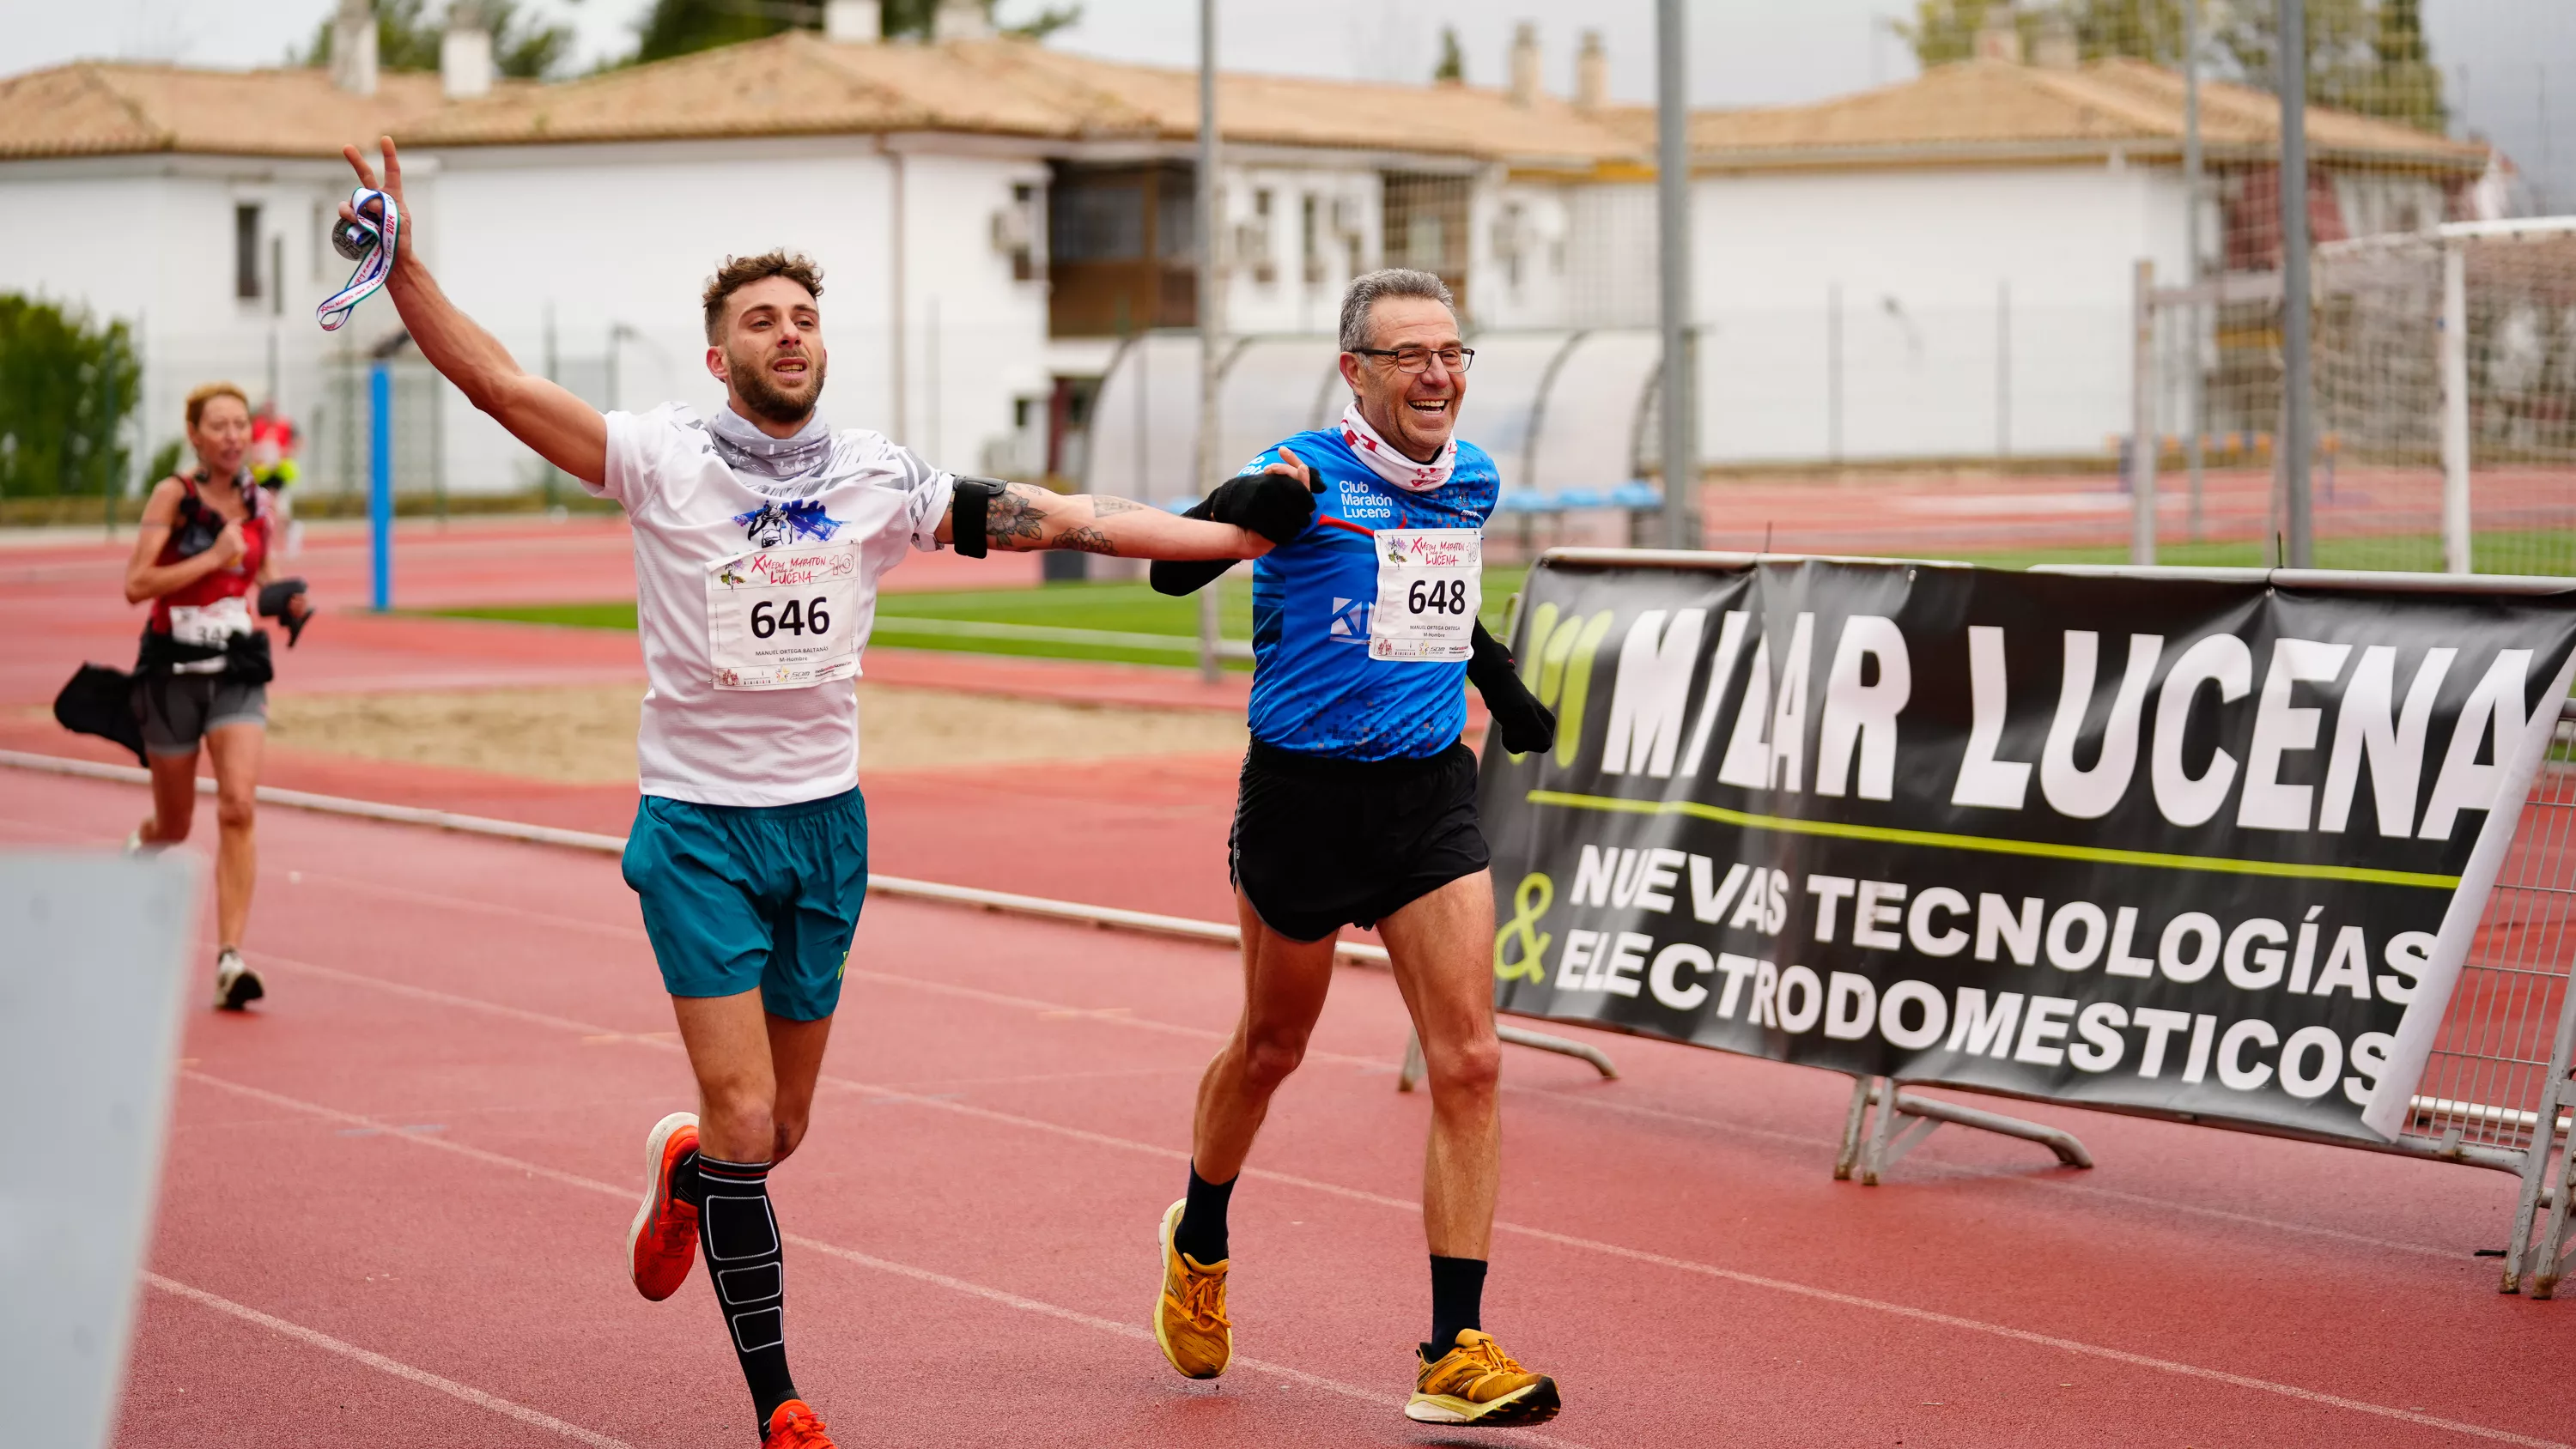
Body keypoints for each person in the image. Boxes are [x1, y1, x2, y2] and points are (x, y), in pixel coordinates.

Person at [332, 136, 1309, 1449]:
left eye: (803, 319)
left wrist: (1234, 536)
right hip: (696, 833)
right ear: (717, 352)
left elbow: (1068, 518)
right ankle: (777, 1398)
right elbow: (502, 384)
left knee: (774, 1131)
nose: (788, 336)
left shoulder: (878, 480)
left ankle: (689, 1171)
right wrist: (403, 263)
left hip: (827, 828)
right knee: (743, 1111)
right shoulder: (658, 456)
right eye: (760, 321)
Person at [1145, 269, 1564, 1427]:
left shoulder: (1469, 480)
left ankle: (1454, 1349)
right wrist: (1245, 507)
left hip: (1427, 793)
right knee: (1273, 1047)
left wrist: (1502, 686)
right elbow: (1171, 569)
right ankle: (1202, 1236)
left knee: (1470, 1060)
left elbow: (1432, 592)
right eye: (1410, 356)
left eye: (1453, 352)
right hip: (1304, 798)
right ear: (1357, 372)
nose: (1439, 374)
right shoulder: (1299, 474)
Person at [121, 381, 315, 1011]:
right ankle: (140, 847)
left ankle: (231, 958)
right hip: (171, 673)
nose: (234, 436)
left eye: (240, 425)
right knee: (175, 822)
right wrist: (210, 560)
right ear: (197, 437)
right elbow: (137, 583)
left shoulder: (259, 502)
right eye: (220, 426)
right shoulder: (173, 497)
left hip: (235, 669)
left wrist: (284, 599)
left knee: (237, 806)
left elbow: (256, 581)